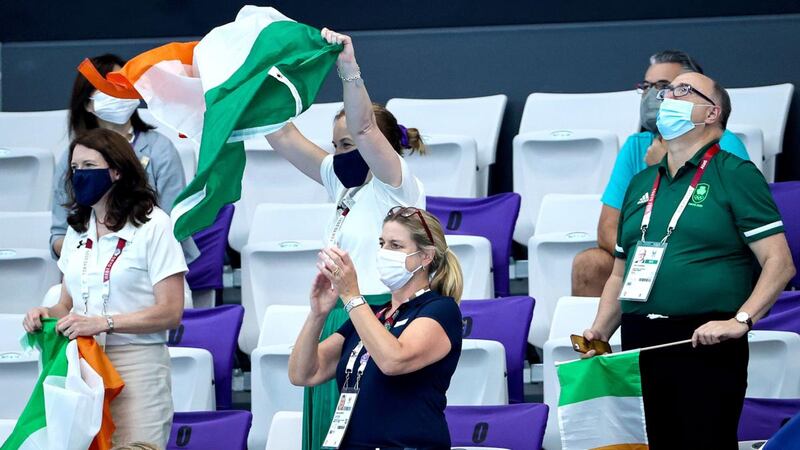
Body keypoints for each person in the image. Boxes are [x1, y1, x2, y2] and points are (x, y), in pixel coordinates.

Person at [581, 72, 796, 448]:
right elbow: (619, 273)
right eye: (667, 90)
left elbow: (779, 262)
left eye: (683, 90)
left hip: (704, 339)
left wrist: (741, 320)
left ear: (711, 113)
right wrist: (601, 327)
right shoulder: (642, 182)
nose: (667, 96)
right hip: (639, 340)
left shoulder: (735, 173)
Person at [265, 28, 426, 450]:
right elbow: (280, 135)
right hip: (337, 317)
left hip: (379, 317)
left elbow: (367, 125)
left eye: (349, 144)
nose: (341, 154)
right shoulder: (342, 186)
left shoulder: (397, 184)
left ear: (384, 146)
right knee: (327, 430)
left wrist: (348, 69)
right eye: (335, 146)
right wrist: (255, 77)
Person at [24, 128, 188, 447]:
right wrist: (45, 313)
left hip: (137, 365)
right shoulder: (78, 229)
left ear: (116, 171)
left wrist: (104, 323)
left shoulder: (155, 225)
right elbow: (66, 304)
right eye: (74, 168)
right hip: (84, 366)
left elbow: (171, 312)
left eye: (88, 167)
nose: (79, 175)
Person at [571, 50, 751, 296]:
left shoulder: (724, 142)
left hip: (702, 258)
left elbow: (720, 221)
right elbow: (607, 228)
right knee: (590, 263)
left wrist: (663, 165)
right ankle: (598, 334)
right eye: (647, 87)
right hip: (644, 258)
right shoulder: (636, 145)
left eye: (665, 86)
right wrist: (647, 259)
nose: (655, 95)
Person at [289, 207, 463, 450]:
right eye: (382, 243)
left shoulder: (440, 309)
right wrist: (317, 315)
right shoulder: (371, 314)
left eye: (395, 245)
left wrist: (351, 295)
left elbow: (394, 361)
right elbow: (303, 373)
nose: (383, 252)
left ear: (426, 257)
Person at [51, 53, 186, 258]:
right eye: (106, 87)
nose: (117, 93)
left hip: (150, 265)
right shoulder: (72, 158)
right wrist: (88, 252)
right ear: (88, 103)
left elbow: (175, 227)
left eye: (122, 84)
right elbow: (58, 236)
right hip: (89, 268)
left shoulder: (160, 149)